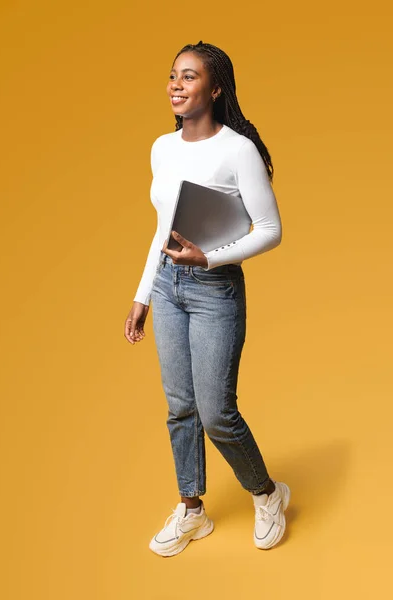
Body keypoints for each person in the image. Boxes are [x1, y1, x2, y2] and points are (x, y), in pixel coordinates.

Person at [124, 40, 290, 557]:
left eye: (189, 76)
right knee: (180, 406)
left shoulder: (237, 149)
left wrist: (210, 260)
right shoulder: (161, 147)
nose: (176, 84)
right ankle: (192, 510)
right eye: (173, 75)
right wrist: (143, 293)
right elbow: (162, 228)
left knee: (216, 412)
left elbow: (271, 229)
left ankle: (267, 493)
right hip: (167, 288)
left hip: (214, 288)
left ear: (215, 89)